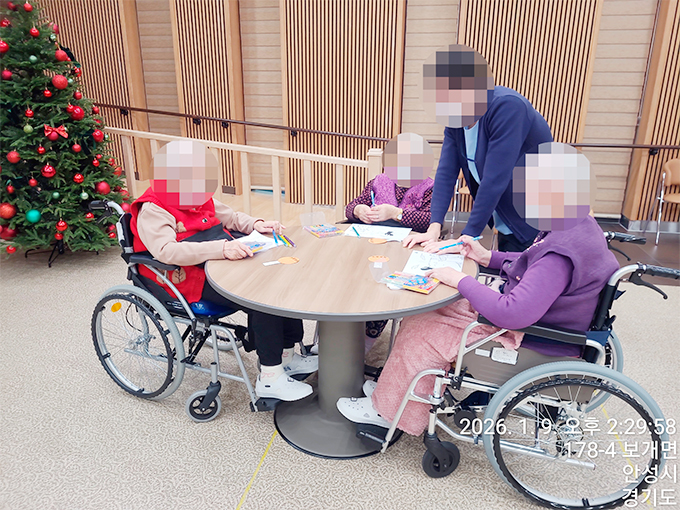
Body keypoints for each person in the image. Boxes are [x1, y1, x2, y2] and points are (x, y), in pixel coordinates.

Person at [337, 143, 620, 435]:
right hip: (539, 321)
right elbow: (532, 262)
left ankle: (386, 412)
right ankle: (397, 388)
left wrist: (460, 280)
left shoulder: (560, 253)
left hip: (532, 339)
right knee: (429, 306)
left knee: (423, 329)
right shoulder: (579, 225)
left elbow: (514, 313)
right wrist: (486, 257)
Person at [130, 140, 318, 402]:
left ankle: (286, 356)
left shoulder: (195, 194)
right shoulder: (154, 209)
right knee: (262, 296)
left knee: (278, 281)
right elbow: (167, 252)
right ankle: (270, 377)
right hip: (186, 279)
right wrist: (222, 248)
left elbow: (231, 217)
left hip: (216, 264)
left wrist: (256, 224)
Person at [404, 44, 554, 253]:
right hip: (506, 216)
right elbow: (446, 173)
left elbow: (495, 179)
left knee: (524, 271)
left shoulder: (507, 107)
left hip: (538, 219)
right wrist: (434, 227)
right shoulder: (456, 119)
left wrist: (465, 238)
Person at [346, 133, 435, 348]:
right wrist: (359, 210)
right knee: (350, 278)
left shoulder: (431, 187)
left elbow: (430, 221)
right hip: (370, 243)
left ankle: (367, 340)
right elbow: (350, 207)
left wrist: (396, 213)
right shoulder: (378, 181)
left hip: (406, 248)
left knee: (385, 288)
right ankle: (339, 332)